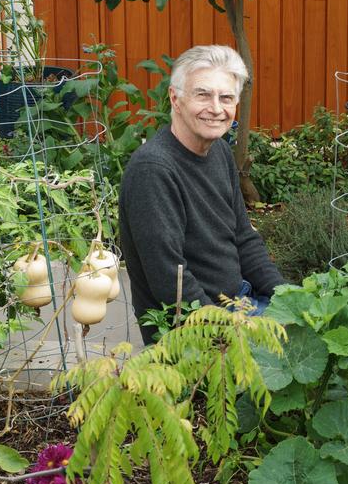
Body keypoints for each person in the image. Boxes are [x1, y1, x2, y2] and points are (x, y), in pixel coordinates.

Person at [119, 45, 283, 344]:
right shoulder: (153, 171)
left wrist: (286, 298)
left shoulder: (219, 150)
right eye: (203, 94)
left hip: (240, 301)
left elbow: (243, 237)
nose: (217, 108)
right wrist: (232, 334)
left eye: (226, 98)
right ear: (175, 99)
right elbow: (172, 283)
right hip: (193, 332)